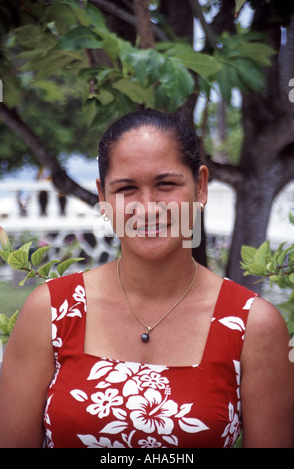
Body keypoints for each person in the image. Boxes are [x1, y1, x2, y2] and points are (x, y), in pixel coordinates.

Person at [0, 106, 293, 449]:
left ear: (200, 187)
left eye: (165, 184)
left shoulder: (252, 325)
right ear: (103, 197)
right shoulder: (52, 312)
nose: (148, 207)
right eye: (126, 189)